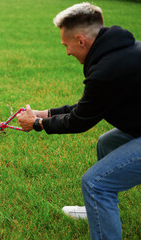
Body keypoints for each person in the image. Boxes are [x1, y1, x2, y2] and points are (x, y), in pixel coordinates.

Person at [16, 2, 141, 240]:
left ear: (81, 40)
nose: (67, 52)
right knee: (106, 143)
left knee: (96, 184)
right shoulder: (120, 53)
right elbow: (89, 107)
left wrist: (35, 124)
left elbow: (79, 121)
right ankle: (97, 210)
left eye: (67, 45)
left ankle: (99, 200)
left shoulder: (106, 69)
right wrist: (45, 114)